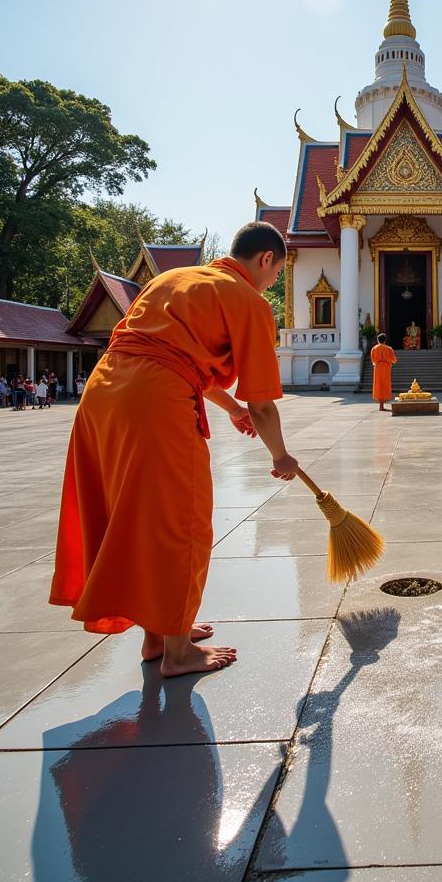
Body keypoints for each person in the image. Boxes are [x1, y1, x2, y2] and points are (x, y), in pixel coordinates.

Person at [49, 221, 299, 677]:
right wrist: (280, 456)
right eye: (277, 273)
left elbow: (163, 351)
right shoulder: (248, 301)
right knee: (179, 519)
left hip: (102, 395)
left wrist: (228, 407)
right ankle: (179, 652)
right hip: (154, 403)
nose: (273, 282)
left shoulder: (172, 279)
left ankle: (159, 632)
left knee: (137, 515)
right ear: (266, 260)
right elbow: (263, 405)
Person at [371, 332, 397, 412]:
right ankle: (382, 405)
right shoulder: (389, 348)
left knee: (378, 384)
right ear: (385, 340)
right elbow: (394, 360)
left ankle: (381, 405)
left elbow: (373, 360)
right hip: (386, 367)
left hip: (378, 367)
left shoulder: (374, 348)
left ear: (378, 340)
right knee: (385, 384)